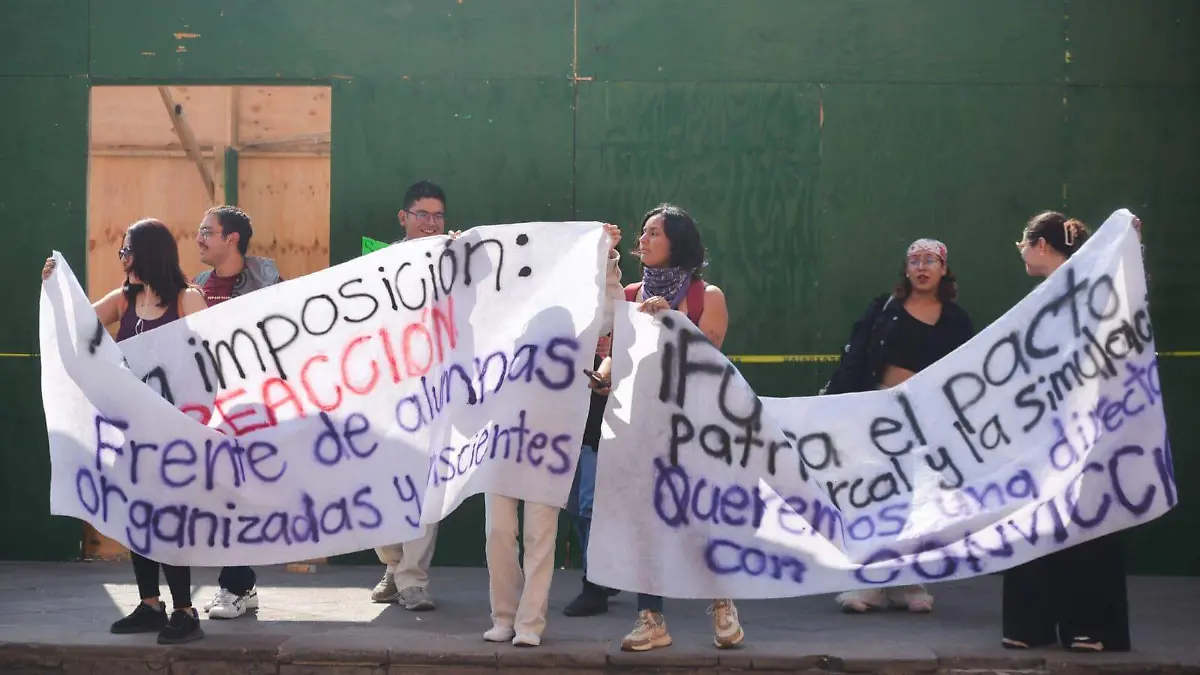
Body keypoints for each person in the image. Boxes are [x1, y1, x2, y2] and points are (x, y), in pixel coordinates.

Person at [42, 218, 208, 644]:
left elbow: (209, 360)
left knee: (168, 520)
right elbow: (79, 326)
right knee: (139, 517)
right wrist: (56, 290)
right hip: (130, 432)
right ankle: (150, 604)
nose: (123, 259)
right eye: (121, 252)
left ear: (149, 253)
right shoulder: (124, 300)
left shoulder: (187, 300)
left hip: (173, 436)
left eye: (127, 250)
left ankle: (185, 610)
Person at [1001, 211, 1140, 653]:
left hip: (1085, 426)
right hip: (1042, 429)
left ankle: (1086, 627)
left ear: (1041, 245)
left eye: (1023, 242)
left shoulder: (1091, 290)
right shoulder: (1046, 296)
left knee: (1083, 518)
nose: (1021, 250)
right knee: (1038, 517)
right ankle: (1034, 625)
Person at [484, 223, 625, 646]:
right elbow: (465, 306)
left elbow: (613, 312)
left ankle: (529, 623)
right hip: (503, 436)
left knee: (539, 533)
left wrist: (609, 259)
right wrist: (464, 256)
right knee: (497, 531)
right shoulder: (502, 309)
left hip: (550, 436)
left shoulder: (576, 316)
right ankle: (503, 616)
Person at [821, 238, 974, 613]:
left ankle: (907, 581)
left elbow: (967, 374)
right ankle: (870, 582)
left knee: (917, 499)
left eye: (930, 261)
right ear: (906, 269)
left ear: (943, 270)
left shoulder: (957, 320)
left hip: (927, 420)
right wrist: (836, 400)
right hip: (879, 413)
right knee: (876, 494)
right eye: (915, 261)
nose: (922, 268)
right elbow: (856, 354)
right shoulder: (884, 309)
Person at [617, 203, 741, 652]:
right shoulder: (629, 295)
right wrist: (603, 371)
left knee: (698, 517)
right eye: (643, 232)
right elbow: (619, 358)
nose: (644, 240)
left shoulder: (709, 297)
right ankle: (650, 618)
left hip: (695, 430)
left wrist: (670, 318)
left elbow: (706, 360)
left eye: (654, 233)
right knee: (646, 522)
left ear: (678, 242)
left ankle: (722, 602)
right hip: (642, 427)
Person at [191, 205, 283, 620]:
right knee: (218, 496)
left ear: (231, 239)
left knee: (238, 496)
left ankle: (234, 586)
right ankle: (242, 587)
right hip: (208, 408)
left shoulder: (268, 282)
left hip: (250, 408)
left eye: (207, 231)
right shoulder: (196, 286)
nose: (199, 237)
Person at [371, 180, 453, 610]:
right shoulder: (376, 262)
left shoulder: (457, 264)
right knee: (381, 484)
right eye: (422, 214)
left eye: (438, 215)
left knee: (425, 488)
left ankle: (412, 579)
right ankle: (392, 565)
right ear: (403, 218)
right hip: (383, 393)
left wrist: (461, 262)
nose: (431, 223)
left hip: (434, 394)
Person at [561, 333, 621, 617]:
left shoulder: (625, 300)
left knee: (588, 509)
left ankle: (595, 584)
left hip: (599, 436)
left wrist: (609, 374)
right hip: (571, 435)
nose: (601, 338)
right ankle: (603, 573)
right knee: (576, 508)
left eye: (607, 333)